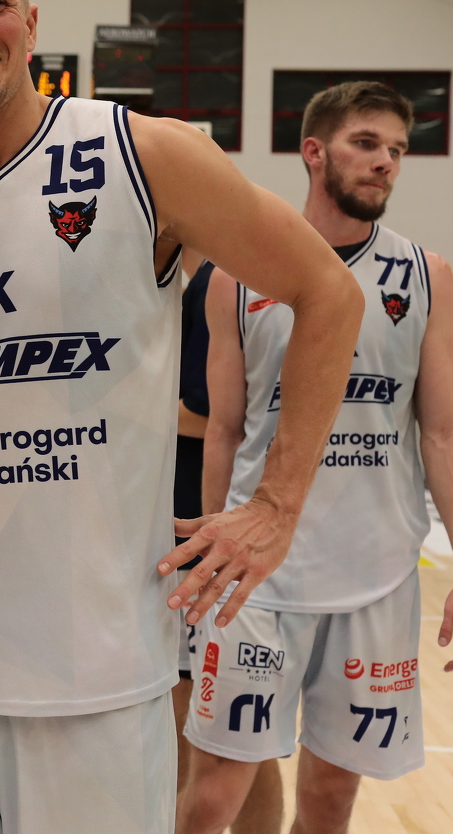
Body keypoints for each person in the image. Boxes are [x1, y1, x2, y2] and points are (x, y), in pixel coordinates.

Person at [0, 0, 363, 834]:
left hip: (99, 676)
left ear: (30, 21)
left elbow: (329, 293)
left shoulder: (145, 154)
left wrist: (277, 505)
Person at [179, 81, 453, 834]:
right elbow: (224, 428)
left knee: (329, 799)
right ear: (314, 152)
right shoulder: (235, 276)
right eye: (366, 143)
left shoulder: (426, 276)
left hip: (374, 574)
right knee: (213, 791)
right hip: (256, 572)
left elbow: (445, 432)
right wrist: (212, 541)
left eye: (397, 150)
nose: (385, 162)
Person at [172, 253, 282, 832]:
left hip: (201, 526)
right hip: (214, 525)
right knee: (243, 741)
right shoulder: (205, 281)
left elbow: (210, 415)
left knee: (199, 733)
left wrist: (120, 420)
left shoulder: (218, 281)